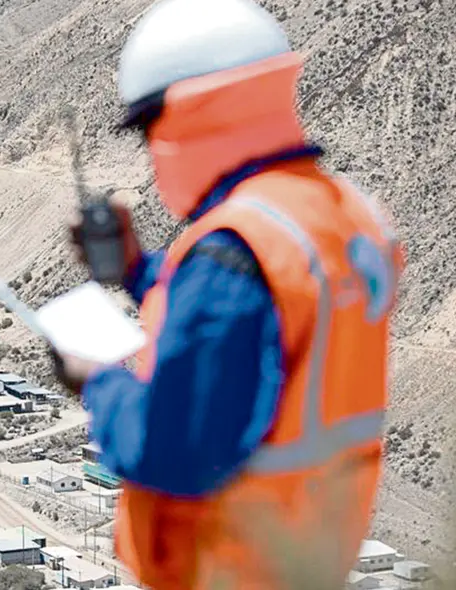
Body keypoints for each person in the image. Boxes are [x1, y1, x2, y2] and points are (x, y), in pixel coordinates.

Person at [56, 0, 404, 588]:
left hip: (229, 565)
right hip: (310, 553)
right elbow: (270, 317)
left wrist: (97, 379)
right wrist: (138, 270)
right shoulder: (343, 215)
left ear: (185, 118)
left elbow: (173, 451)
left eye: (148, 131)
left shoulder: (232, 253)